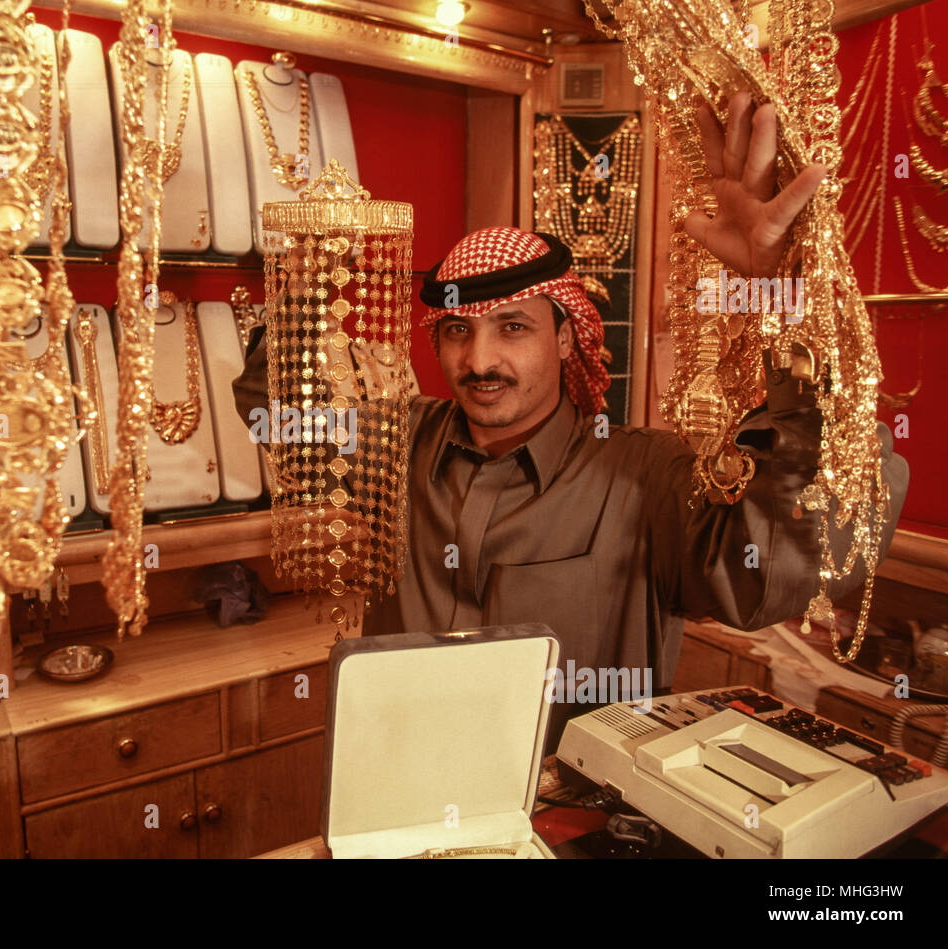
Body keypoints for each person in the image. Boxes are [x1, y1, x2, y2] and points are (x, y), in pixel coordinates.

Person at [233, 93, 910, 750]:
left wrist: (787, 299)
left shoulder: (643, 474)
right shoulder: (398, 442)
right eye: (456, 332)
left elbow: (777, 568)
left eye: (513, 328)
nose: (480, 359)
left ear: (564, 339)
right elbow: (280, 415)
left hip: (570, 822)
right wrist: (307, 284)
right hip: (398, 796)